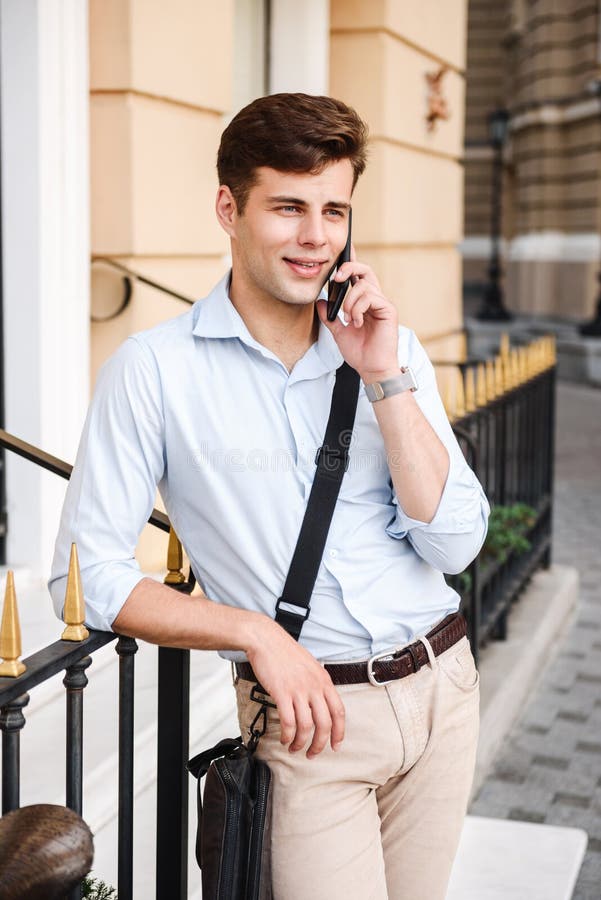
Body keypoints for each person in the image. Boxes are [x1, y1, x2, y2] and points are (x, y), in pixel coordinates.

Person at [50, 93, 489, 899]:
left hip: (442, 690)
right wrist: (252, 633)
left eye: (333, 209)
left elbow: (454, 545)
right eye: (288, 207)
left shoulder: (391, 350)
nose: (316, 236)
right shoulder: (154, 371)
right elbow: (87, 575)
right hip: (311, 725)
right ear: (228, 207)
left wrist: (385, 378)